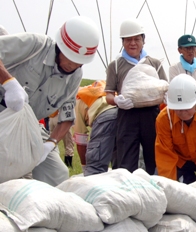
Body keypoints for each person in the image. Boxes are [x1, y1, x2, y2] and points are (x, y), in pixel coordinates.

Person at [0, 16, 100, 186]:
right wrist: (8, 82)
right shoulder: (35, 46)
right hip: (4, 114)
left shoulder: (75, 76)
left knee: (57, 173)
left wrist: (51, 144)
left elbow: (67, 118)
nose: (73, 65)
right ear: (60, 47)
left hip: (29, 124)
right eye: (70, 57)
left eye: (80, 62)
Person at [105, 18, 168, 174]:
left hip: (152, 114)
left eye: (136, 39)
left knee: (154, 156)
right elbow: (108, 95)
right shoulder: (116, 65)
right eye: (128, 40)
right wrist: (117, 101)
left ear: (143, 41)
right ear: (123, 42)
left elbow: (165, 88)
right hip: (127, 116)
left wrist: (166, 97)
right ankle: (127, 193)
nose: (132, 43)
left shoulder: (155, 63)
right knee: (125, 159)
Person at [74, 80, 118, 176]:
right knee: (122, 166)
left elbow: (81, 141)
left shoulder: (78, 99)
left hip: (104, 117)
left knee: (96, 167)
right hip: (125, 114)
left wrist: (85, 167)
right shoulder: (102, 85)